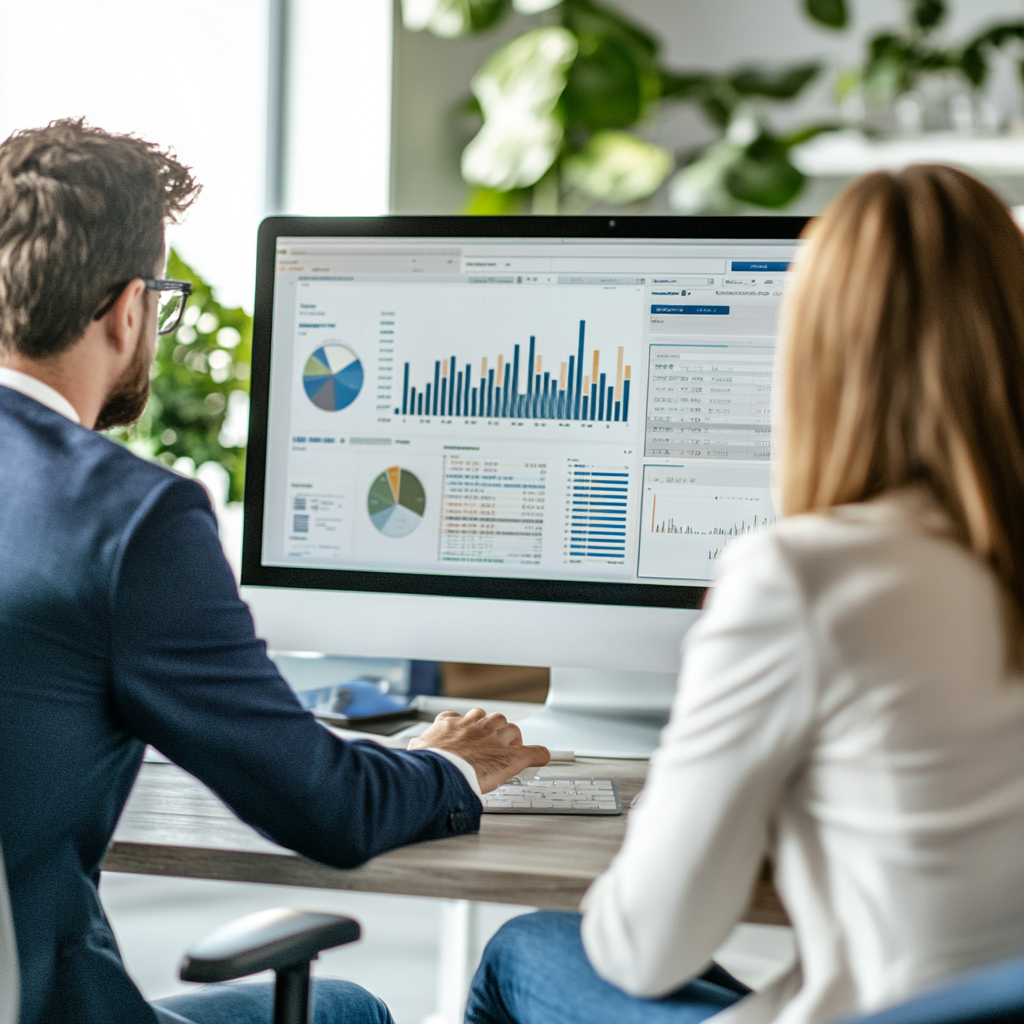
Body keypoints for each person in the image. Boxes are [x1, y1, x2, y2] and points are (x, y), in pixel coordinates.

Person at [0, 119, 548, 1024]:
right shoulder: (128, 516)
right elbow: (326, 810)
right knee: (349, 1009)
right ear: (128, 308)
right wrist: (445, 768)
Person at [465, 164, 1024, 1024]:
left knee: (526, 949)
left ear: (817, 358)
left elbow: (645, 950)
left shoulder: (807, 573)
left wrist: (682, 799)